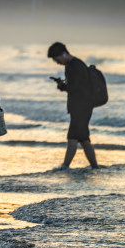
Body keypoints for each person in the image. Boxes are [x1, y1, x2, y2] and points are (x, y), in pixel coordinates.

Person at [47, 42, 98, 170]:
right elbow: (76, 86)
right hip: (82, 106)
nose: (56, 62)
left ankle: (65, 166)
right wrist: (62, 85)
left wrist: (62, 86)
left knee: (72, 137)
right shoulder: (74, 65)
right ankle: (95, 167)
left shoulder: (75, 66)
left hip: (81, 107)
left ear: (63, 54)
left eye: (56, 59)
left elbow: (73, 88)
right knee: (84, 139)